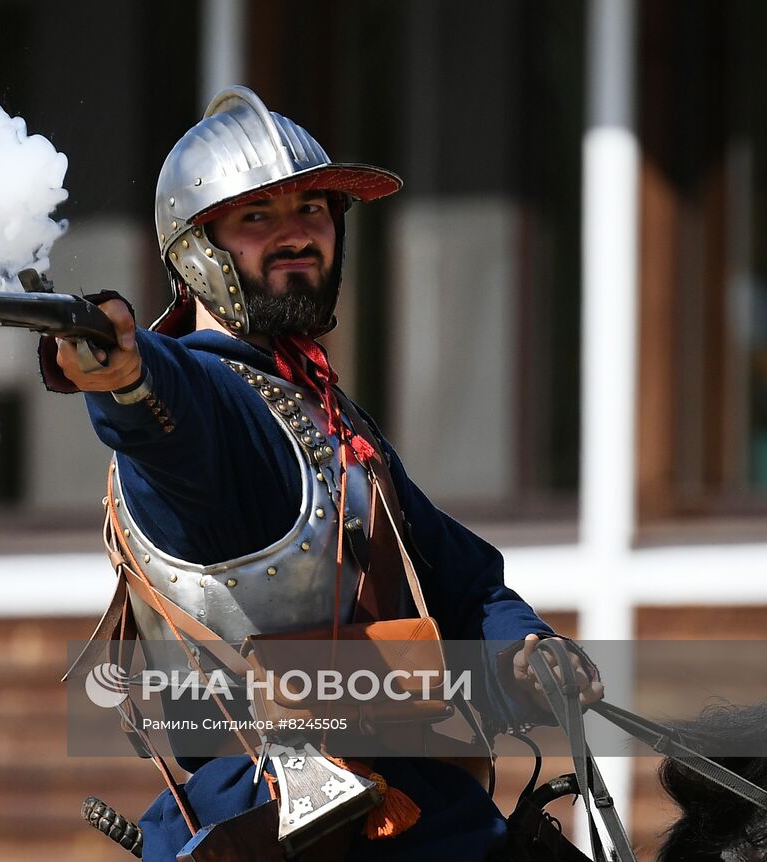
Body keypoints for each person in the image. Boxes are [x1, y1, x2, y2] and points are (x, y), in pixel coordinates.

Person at [43, 86, 603, 860]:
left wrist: (522, 649)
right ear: (198, 250)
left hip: (419, 804)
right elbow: (166, 414)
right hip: (284, 823)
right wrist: (128, 378)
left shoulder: (325, 414)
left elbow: (465, 580)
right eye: (257, 217)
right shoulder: (208, 394)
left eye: (313, 209)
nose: (297, 234)